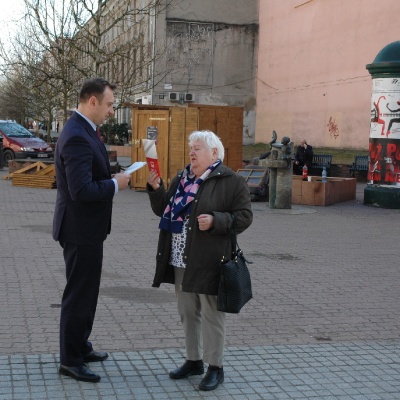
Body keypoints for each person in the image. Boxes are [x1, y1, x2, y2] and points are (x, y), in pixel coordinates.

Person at [146, 130, 253, 391]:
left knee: (211, 315)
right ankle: (193, 360)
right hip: (180, 257)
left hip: (209, 260)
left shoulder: (231, 181)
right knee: (187, 313)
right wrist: (156, 189)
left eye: (197, 148)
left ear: (214, 153)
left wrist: (218, 220)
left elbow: (245, 217)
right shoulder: (182, 177)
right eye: (191, 148)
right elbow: (164, 209)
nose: (191, 153)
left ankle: (215, 367)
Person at [52, 78, 130, 383]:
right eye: (110, 105)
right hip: (78, 228)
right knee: (78, 294)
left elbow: (90, 173)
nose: (112, 111)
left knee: (88, 291)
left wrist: (114, 176)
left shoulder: (85, 131)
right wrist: (115, 185)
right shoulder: (76, 136)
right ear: (93, 102)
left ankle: (80, 346)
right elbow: (81, 189)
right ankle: (70, 360)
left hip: (88, 228)